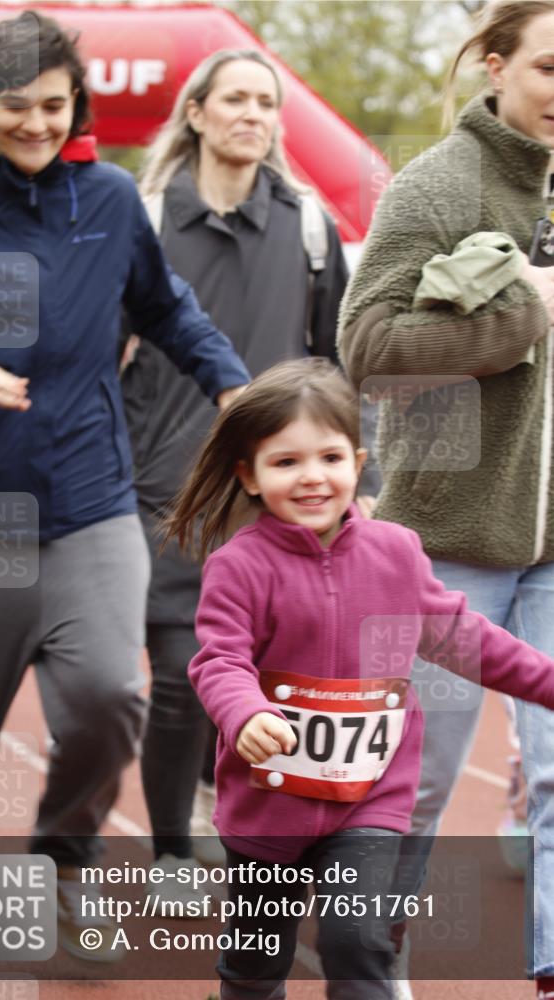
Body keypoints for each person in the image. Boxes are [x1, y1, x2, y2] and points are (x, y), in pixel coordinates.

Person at [0, 10, 249, 970]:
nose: (40, 124)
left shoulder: (111, 199)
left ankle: (62, 863)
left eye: (55, 105)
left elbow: (167, 308)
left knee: (104, 698)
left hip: (90, 504)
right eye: (17, 107)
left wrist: (230, 382)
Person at [163, 357, 554, 1000]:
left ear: (358, 459)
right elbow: (220, 659)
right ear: (249, 476)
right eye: (286, 463)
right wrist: (246, 713)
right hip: (269, 809)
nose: (312, 478)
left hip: (370, 799)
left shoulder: (396, 552)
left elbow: (468, 638)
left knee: (357, 941)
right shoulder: (240, 567)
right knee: (256, 966)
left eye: (330, 458)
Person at [338, 2, 554, 996]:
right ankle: (372, 961)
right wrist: (518, 320)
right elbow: (369, 352)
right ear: (499, 66)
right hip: (447, 545)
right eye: (550, 68)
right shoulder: (438, 183)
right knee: (412, 783)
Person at [120, 48, 349, 890]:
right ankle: (173, 850)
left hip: (280, 500)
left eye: (266, 102)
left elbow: (329, 366)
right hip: (164, 494)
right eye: (236, 99)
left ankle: (248, 829)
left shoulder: (310, 226)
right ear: (196, 113)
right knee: (183, 681)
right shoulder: (140, 219)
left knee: (275, 679)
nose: (253, 114)